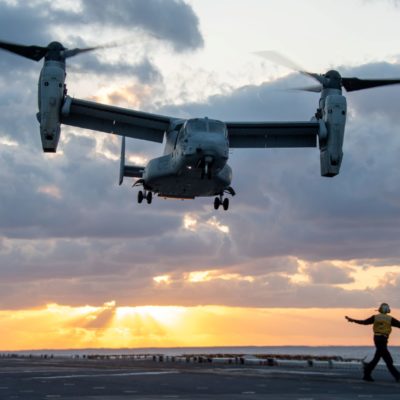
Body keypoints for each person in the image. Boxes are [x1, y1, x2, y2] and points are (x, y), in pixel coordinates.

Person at [345, 303, 400, 382]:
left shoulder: (375, 317)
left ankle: (367, 373)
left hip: (377, 339)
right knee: (388, 360)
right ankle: (397, 376)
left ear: (380, 309)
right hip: (383, 339)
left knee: (378, 358)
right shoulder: (390, 319)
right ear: (388, 310)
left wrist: (353, 320)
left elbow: (364, 322)